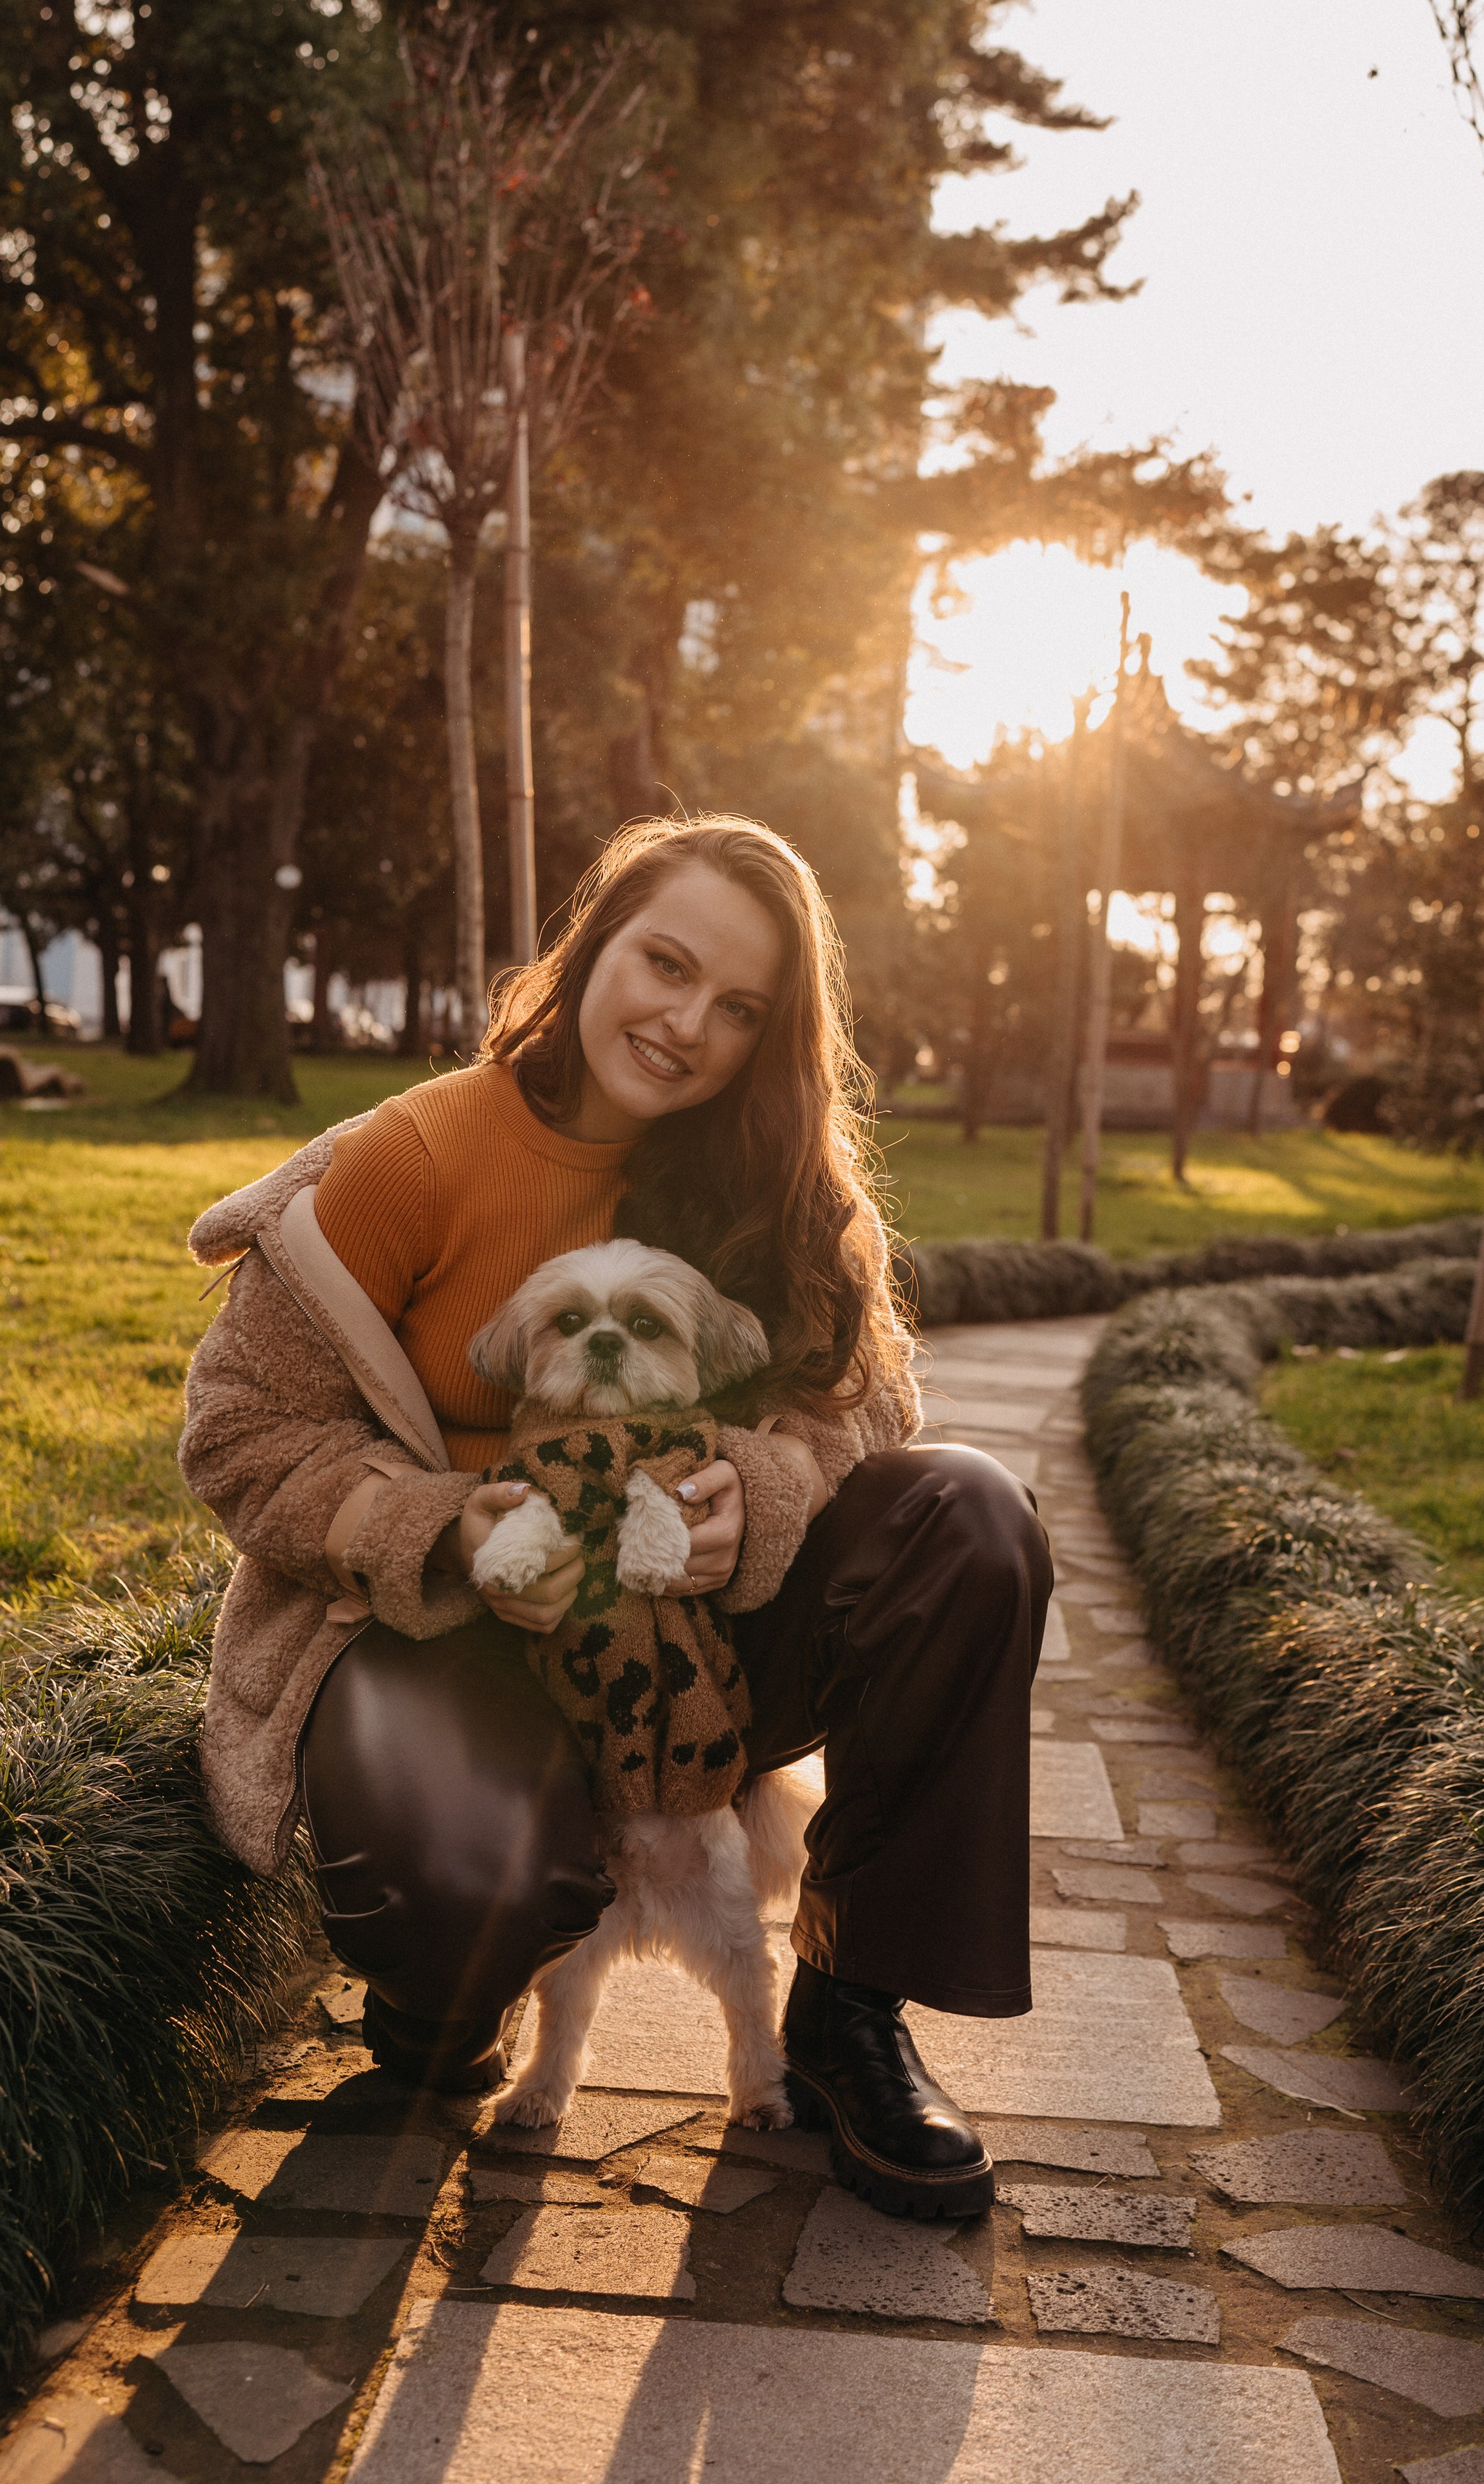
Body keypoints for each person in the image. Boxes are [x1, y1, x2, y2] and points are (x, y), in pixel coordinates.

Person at [181, 815, 1051, 2219]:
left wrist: (759, 1498)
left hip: (698, 1643)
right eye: (664, 963)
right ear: (591, 947)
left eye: (739, 1009)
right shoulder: (412, 1160)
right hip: (449, 1634)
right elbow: (238, 1433)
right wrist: (450, 1526)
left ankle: (848, 2013)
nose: (686, 1023)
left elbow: (868, 1414)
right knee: (475, 1888)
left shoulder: (780, 1183)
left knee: (973, 1519)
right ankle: (442, 1997)